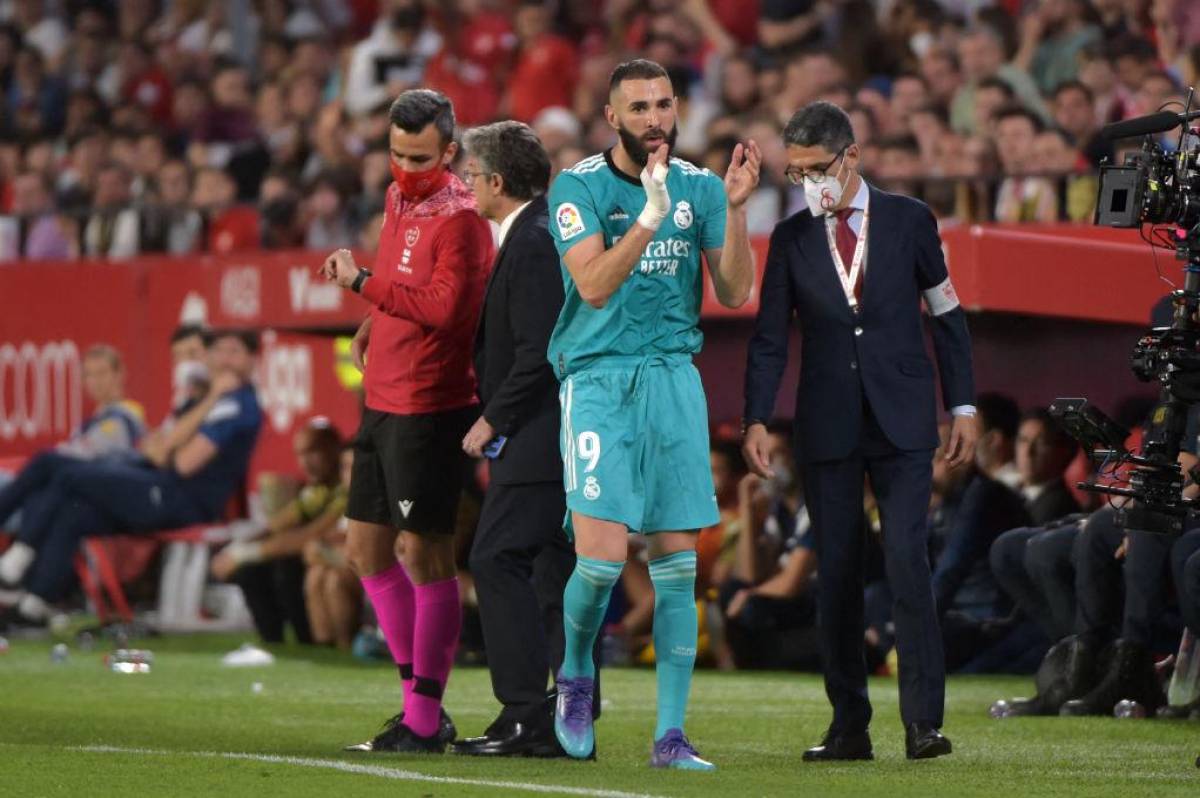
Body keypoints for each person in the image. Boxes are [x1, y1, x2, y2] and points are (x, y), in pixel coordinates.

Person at [743, 101, 977, 762]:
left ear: (851, 156)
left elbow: (949, 317)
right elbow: (766, 341)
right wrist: (756, 417)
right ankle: (849, 726)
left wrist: (962, 406)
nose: (810, 183)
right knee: (838, 573)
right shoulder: (790, 239)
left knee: (907, 560)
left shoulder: (910, 220)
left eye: (818, 168)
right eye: (797, 173)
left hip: (903, 419)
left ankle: (923, 725)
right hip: (827, 424)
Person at [546, 59, 759, 771]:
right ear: (612, 117)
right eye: (637, 108)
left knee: (678, 566)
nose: (654, 119)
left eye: (663, 105)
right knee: (603, 564)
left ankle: (670, 736)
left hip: (673, 379)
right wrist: (649, 215)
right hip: (599, 380)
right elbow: (595, 285)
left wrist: (734, 211)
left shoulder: (700, 187)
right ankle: (576, 671)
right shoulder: (577, 186)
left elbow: (732, 292)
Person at [320, 89, 493, 754]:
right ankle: (419, 707)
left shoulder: (464, 220)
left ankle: (423, 718)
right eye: (395, 153)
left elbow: (448, 310)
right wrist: (374, 317)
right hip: (383, 398)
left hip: (429, 403)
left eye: (418, 157)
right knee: (365, 551)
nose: (403, 167)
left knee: (424, 554)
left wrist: (362, 285)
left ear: (450, 151)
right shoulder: (398, 199)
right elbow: (404, 282)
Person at [451, 121, 576, 758]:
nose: (468, 185)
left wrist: (491, 419)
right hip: (552, 438)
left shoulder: (530, 241)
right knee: (554, 572)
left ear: (497, 182)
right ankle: (564, 718)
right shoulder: (541, 231)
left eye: (472, 175)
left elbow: (539, 352)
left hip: (536, 438)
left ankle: (527, 711)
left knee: (494, 559)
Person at [0, 330, 261, 627]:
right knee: (74, 510)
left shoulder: (237, 405)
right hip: (159, 486)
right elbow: (155, 449)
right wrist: (173, 439)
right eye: (219, 351)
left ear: (252, 359)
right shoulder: (200, 401)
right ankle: (35, 604)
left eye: (234, 351)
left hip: (179, 500)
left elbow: (182, 464)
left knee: (66, 472)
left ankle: (16, 560)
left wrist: (172, 442)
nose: (224, 359)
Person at [210, 419, 346, 645]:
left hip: (334, 558)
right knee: (250, 571)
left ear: (334, 450)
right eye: (300, 455)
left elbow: (309, 535)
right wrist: (233, 551)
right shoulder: (317, 490)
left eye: (313, 452)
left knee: (286, 567)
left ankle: (309, 639)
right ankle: (273, 642)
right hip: (315, 554)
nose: (305, 463)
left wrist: (242, 555)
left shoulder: (345, 489)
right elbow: (275, 526)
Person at [0, 345, 145, 543]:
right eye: (89, 375)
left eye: (102, 373)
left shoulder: (126, 415)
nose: (95, 382)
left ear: (119, 374)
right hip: (67, 488)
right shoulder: (92, 419)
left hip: (90, 498)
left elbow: (84, 453)